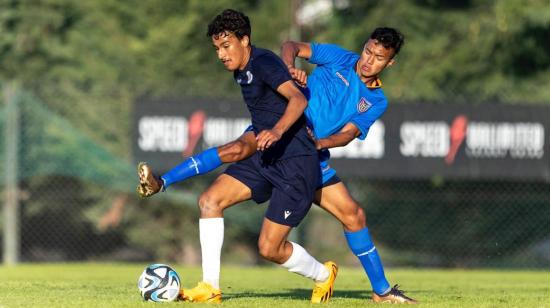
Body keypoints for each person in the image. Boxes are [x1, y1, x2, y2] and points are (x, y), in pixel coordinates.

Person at [138, 25, 416, 304]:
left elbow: (347, 135)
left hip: (306, 161)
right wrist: (289, 69)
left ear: (389, 62)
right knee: (211, 197)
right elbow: (291, 45)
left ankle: (380, 291)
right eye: (368, 51)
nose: (368, 60)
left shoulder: (376, 101)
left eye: (378, 57)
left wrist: (317, 144)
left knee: (352, 217)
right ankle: (209, 284)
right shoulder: (338, 57)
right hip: (274, 139)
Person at [140, 9, 338, 304]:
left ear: (245, 40)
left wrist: (278, 131)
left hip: (295, 163)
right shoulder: (240, 71)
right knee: (209, 200)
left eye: (226, 45)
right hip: (266, 156)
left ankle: (324, 274)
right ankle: (210, 287)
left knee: (270, 249)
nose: (221, 54)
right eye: (217, 48)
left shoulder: (264, 63)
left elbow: (298, 99)